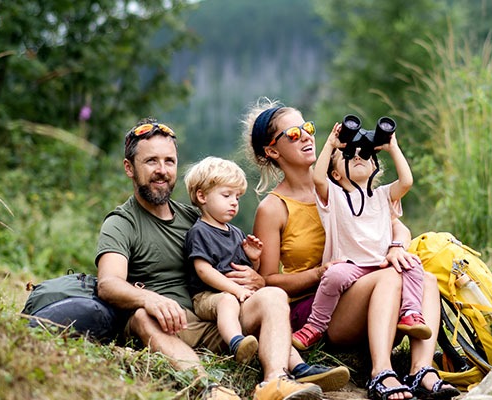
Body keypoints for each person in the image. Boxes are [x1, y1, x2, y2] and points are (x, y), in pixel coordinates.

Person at [95, 118, 349, 400]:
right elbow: (108, 284)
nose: (162, 170)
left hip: (218, 319)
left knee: (273, 295)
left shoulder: (194, 216)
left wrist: (255, 275)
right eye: (151, 162)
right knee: (143, 317)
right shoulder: (122, 222)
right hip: (167, 323)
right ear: (129, 167)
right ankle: (209, 388)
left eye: (169, 161)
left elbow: (234, 258)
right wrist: (151, 299)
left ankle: (275, 381)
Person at [243, 100, 461, 400]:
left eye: (307, 128)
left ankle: (421, 370)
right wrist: (320, 272)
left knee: (425, 279)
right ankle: (381, 373)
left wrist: (397, 245)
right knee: (390, 277)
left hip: (368, 293)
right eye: (293, 134)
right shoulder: (274, 208)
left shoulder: (344, 183)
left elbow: (391, 222)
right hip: (323, 307)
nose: (307, 136)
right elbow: (268, 280)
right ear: (272, 151)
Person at [290, 119, 431, 350]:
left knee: (414, 265)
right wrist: (332, 144)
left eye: (364, 155)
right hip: (350, 264)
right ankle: (315, 326)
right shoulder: (334, 197)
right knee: (333, 275)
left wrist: (392, 147)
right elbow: (317, 178)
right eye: (349, 155)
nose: (358, 157)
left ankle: (411, 313)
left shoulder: (384, 195)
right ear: (335, 175)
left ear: (374, 166)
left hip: (382, 263)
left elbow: (406, 182)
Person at [183, 156, 263, 364]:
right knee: (227, 300)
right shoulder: (200, 231)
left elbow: (244, 272)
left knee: (269, 300)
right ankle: (236, 343)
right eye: (226, 195)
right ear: (202, 196)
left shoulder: (235, 232)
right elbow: (203, 270)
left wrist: (254, 261)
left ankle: (296, 364)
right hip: (207, 297)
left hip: (236, 295)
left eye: (237, 197)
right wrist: (235, 291)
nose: (234, 202)